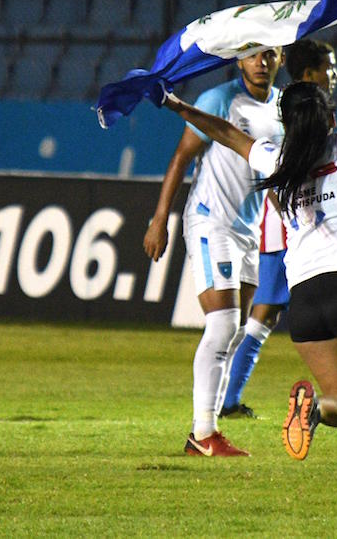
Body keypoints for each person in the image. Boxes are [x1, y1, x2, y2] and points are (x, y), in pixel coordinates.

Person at [159, 26, 337, 517]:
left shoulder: (278, 159)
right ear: (327, 115)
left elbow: (228, 135)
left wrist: (178, 107)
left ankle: (316, 408)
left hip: (306, 302)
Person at [220, 38, 337, 420]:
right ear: (309, 74)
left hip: (298, 232)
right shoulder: (295, 115)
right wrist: (289, 213)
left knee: (311, 316)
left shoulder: (297, 109)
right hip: (290, 234)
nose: (335, 74)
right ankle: (228, 399)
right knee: (264, 313)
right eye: (329, 67)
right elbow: (274, 173)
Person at [143, 47, 285, 457]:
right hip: (210, 220)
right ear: (238, 61)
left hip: (246, 228)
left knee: (236, 329)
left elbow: (274, 174)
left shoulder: (281, 108)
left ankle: (209, 426)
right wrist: (159, 219)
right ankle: (203, 432)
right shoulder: (218, 101)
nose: (262, 61)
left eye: (271, 54)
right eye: (253, 55)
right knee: (223, 325)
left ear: (282, 60)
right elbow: (182, 156)